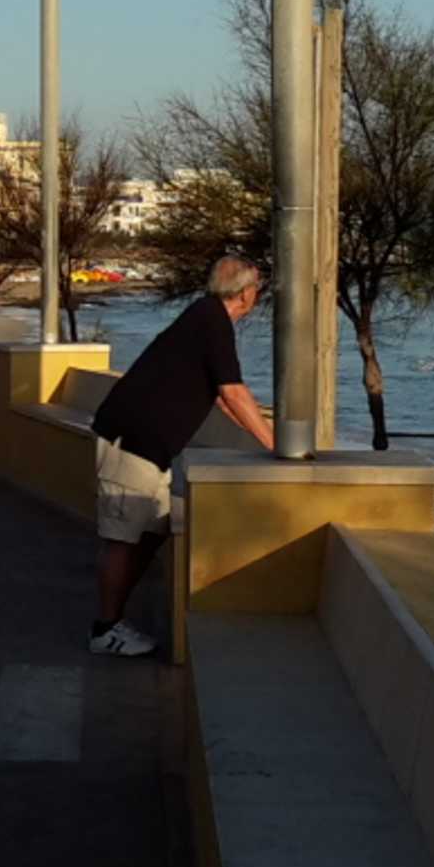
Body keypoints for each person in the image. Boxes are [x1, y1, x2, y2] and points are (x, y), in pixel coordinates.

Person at [85, 256, 275, 657]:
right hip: (132, 443)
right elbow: (232, 392)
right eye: (257, 287)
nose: (258, 294)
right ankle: (105, 629)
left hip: (151, 448)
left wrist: (263, 433)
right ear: (246, 294)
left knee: (152, 533)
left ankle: (117, 619)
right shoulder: (211, 321)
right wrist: (276, 446)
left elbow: (224, 397)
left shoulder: (207, 318)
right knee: (122, 539)